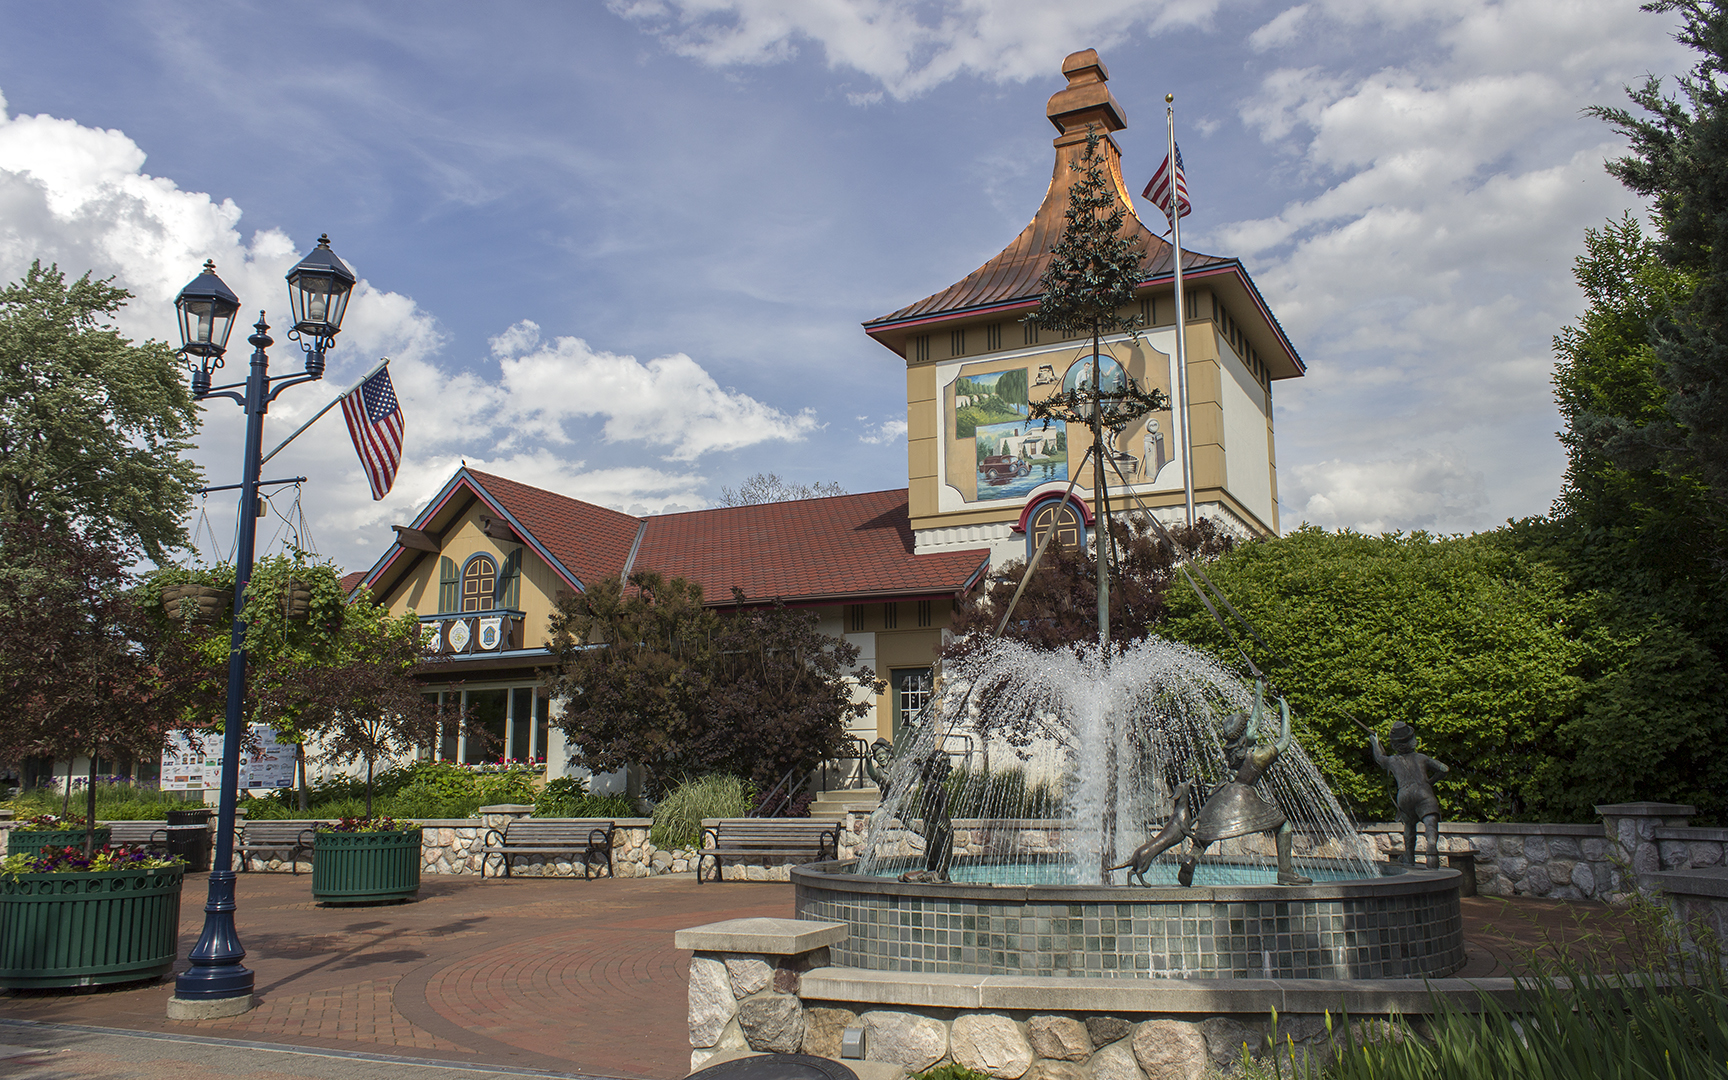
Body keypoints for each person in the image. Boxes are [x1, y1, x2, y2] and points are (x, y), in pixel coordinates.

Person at [1179, 681, 1311, 887]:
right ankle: (1286, 872)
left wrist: (1258, 692)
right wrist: (1284, 711)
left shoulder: (1233, 752)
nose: (1255, 730)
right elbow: (1285, 741)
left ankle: (1192, 857)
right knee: (1284, 825)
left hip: (1224, 793)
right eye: (1250, 729)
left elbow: (1253, 724)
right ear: (1243, 736)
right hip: (1243, 795)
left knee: (1210, 831)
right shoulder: (1258, 755)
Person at [1370, 722, 1450, 869]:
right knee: (1430, 822)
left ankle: (1409, 856)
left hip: (1404, 794)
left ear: (1394, 744)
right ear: (1412, 739)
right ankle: (1431, 845)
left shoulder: (1392, 760)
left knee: (1409, 826)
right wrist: (1430, 782)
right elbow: (1444, 769)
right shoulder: (1422, 757)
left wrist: (1375, 742)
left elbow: (1380, 759)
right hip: (1423, 791)